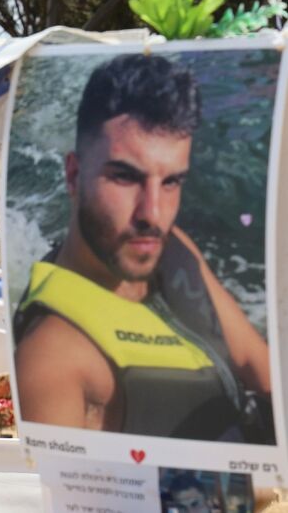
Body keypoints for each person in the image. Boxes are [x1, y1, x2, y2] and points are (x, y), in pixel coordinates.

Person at [14, 54, 272, 441]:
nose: (153, 214)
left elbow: (258, 364)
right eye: (124, 177)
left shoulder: (170, 249)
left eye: (171, 182)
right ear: (73, 174)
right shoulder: (53, 355)